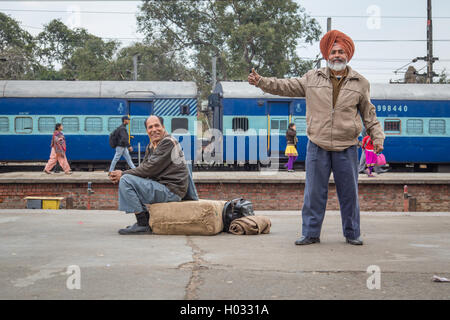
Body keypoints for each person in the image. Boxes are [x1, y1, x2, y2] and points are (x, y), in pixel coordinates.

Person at [248, 29, 385, 246]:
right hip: (317, 145)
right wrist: (262, 82)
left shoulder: (361, 83)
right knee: (313, 194)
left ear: (347, 54)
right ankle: (311, 233)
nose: (337, 55)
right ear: (326, 55)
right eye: (333, 52)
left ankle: (352, 233)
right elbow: (285, 86)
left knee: (349, 194)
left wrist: (377, 138)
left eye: (341, 51)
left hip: (347, 146)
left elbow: (369, 114)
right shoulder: (312, 78)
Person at [109, 115, 189, 235]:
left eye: (157, 126)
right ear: (147, 131)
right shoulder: (152, 146)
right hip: (165, 187)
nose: (154, 130)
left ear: (163, 127)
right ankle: (144, 218)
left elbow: (149, 169)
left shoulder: (168, 142)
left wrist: (123, 173)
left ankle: (143, 224)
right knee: (130, 179)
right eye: (150, 127)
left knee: (126, 180)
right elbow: (144, 168)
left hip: (171, 191)